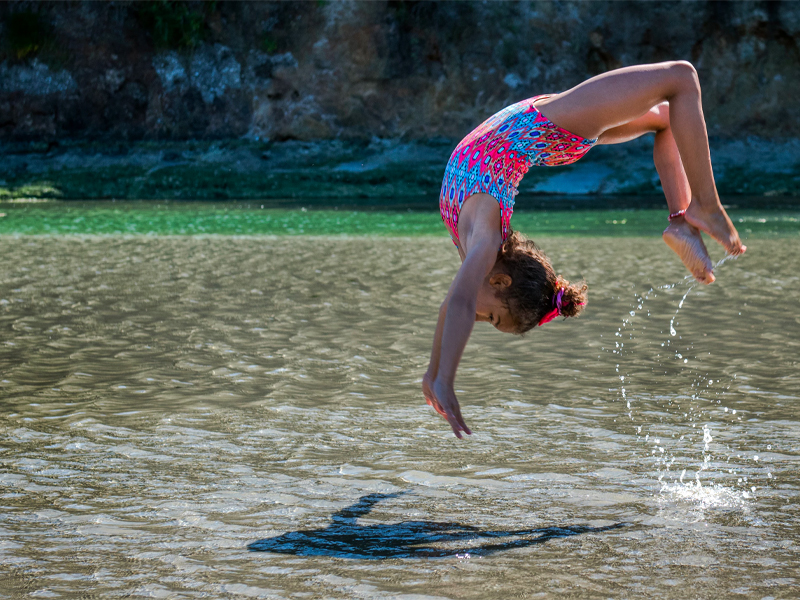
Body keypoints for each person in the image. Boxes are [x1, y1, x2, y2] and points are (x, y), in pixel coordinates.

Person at [423, 61, 746, 439]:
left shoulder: (480, 247)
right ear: (501, 280)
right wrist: (442, 376)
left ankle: (691, 215)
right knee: (679, 84)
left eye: (489, 320)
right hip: (550, 127)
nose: (477, 320)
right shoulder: (485, 242)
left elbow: (454, 306)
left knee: (672, 100)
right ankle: (693, 213)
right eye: (490, 319)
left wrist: (435, 374)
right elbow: (458, 305)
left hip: (545, 128)